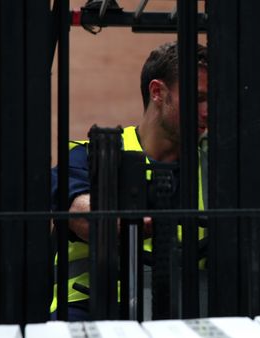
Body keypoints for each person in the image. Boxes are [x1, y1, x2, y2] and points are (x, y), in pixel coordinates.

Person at [50, 41, 208, 320]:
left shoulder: (218, 168)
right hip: (93, 308)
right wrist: (139, 225)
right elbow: (83, 216)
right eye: (198, 98)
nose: (208, 111)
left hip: (189, 310)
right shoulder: (89, 156)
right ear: (158, 92)